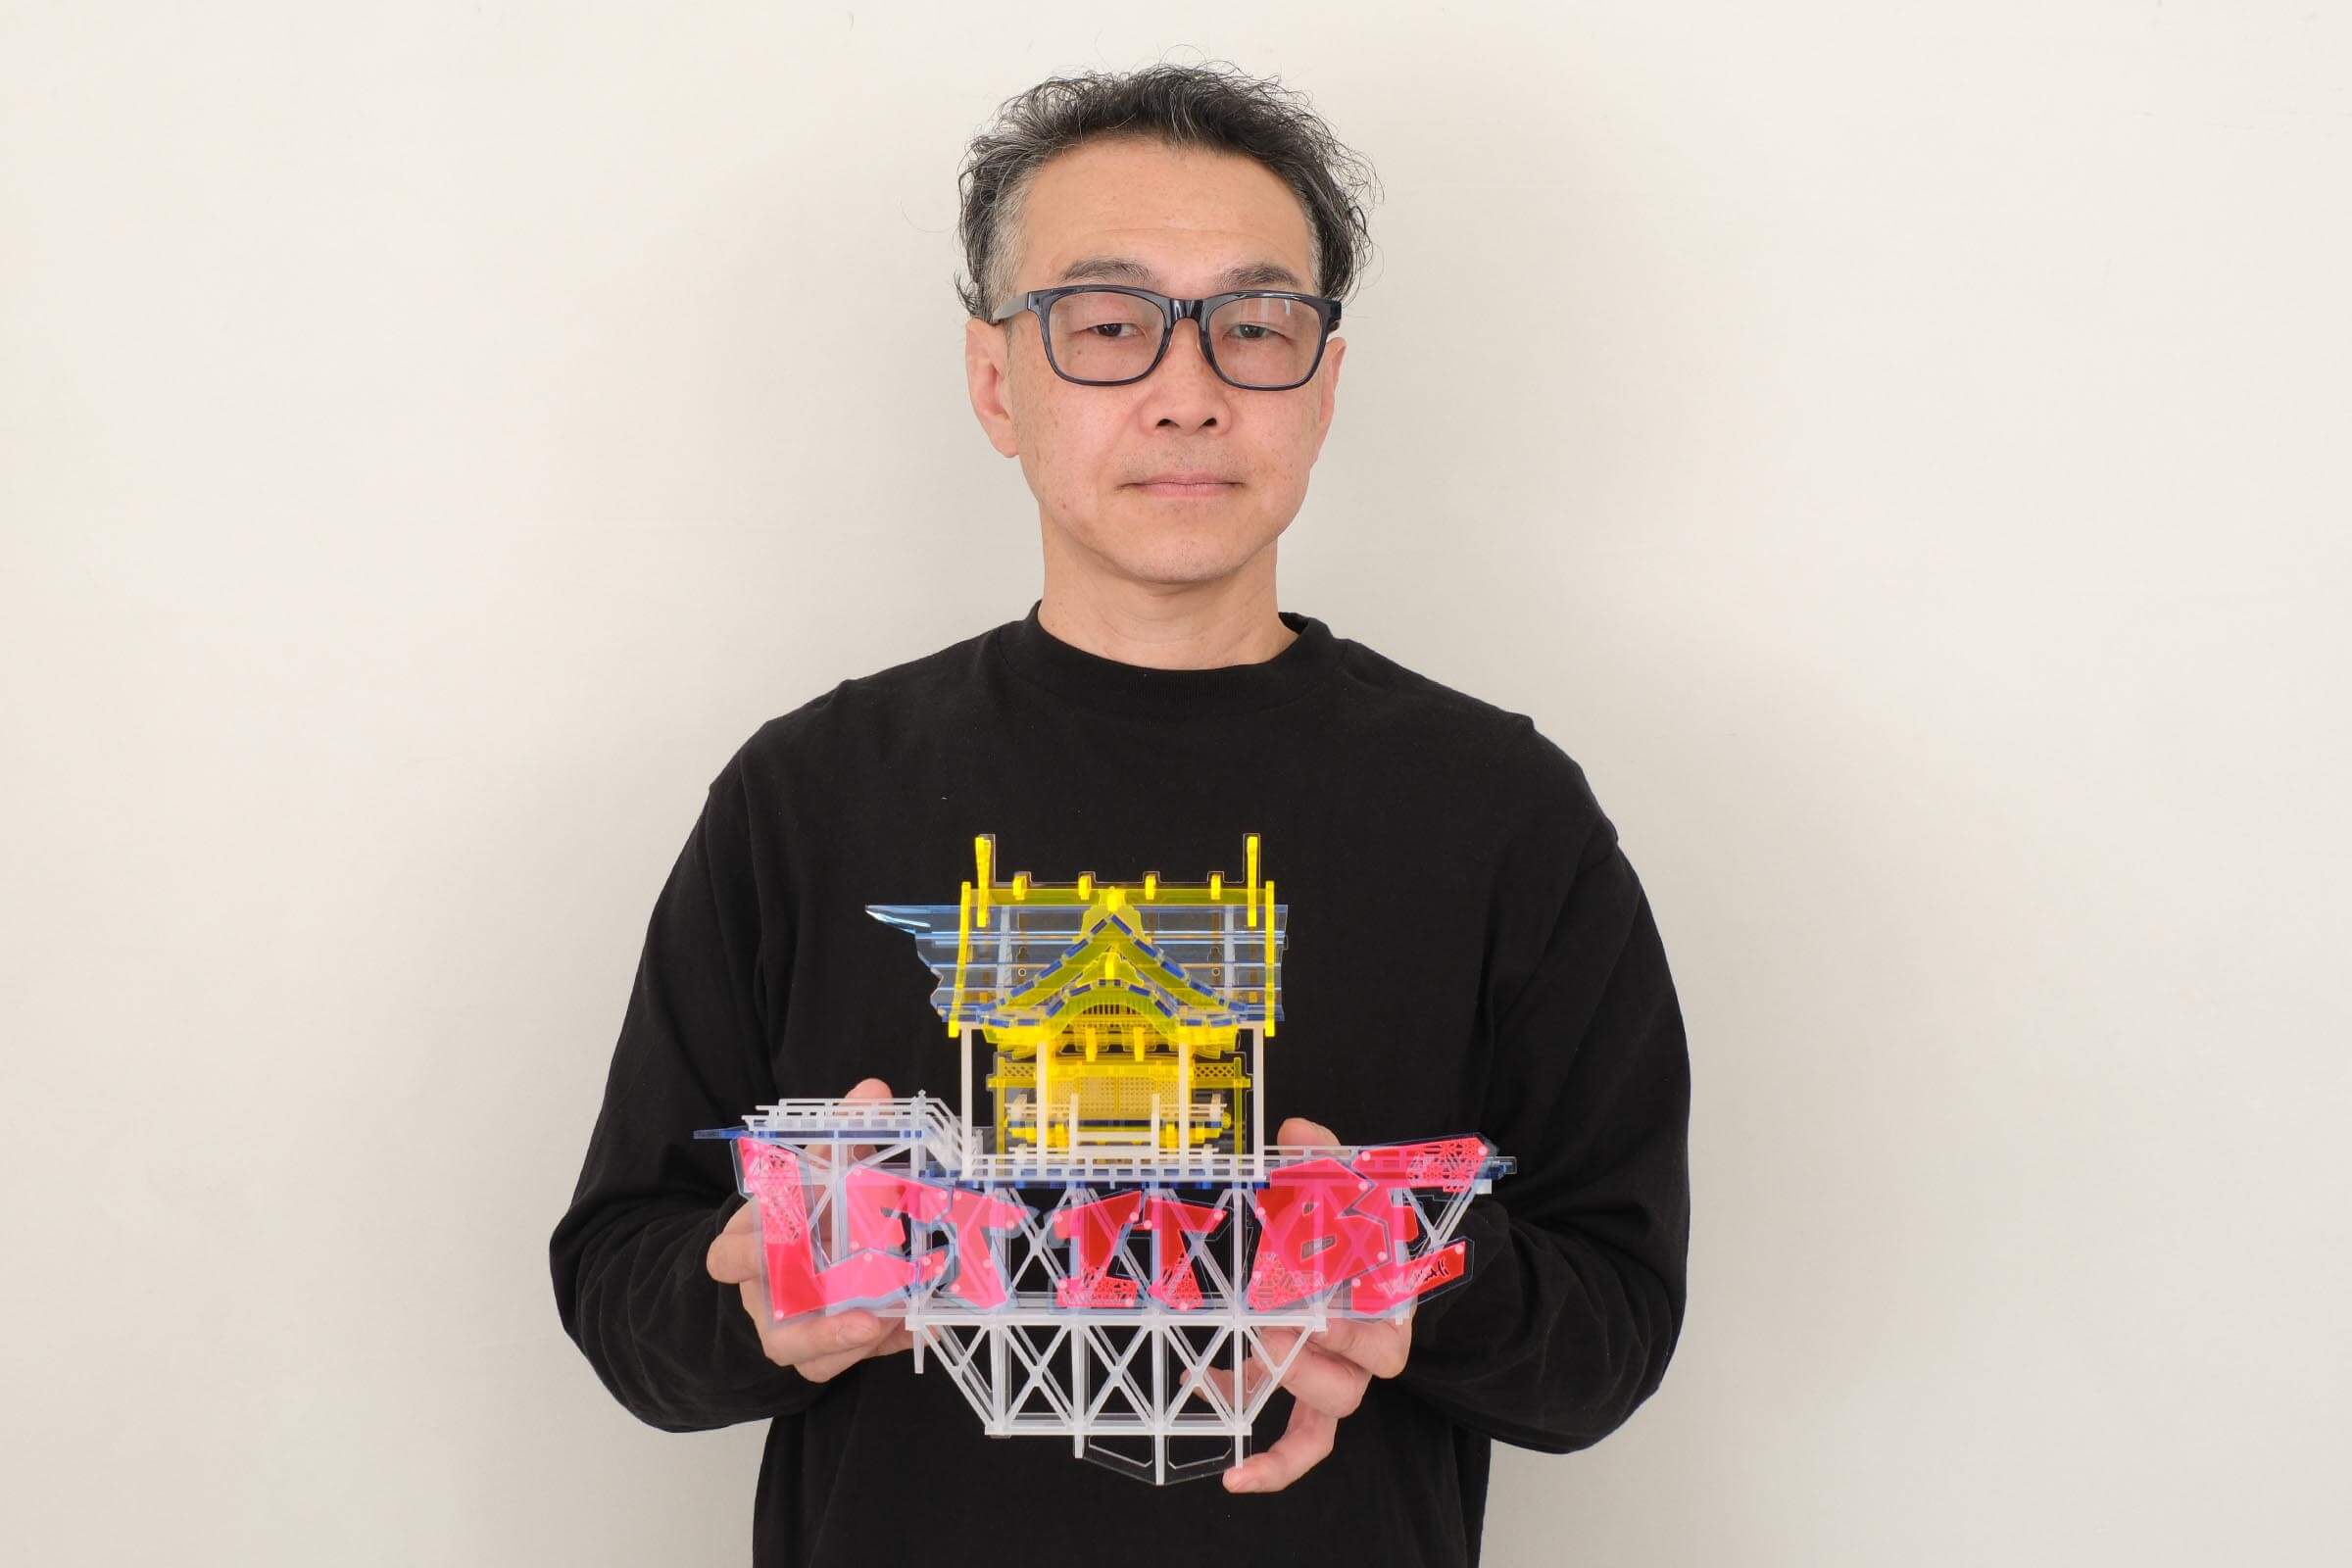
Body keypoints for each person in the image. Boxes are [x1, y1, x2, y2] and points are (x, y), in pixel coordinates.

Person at [550, 60, 1690, 1568]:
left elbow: (1615, 1332)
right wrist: (754, 1293)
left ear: (1323, 384)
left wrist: (1397, 1267)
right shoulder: (808, 794)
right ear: (995, 382)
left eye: (1254, 325)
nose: (1188, 390)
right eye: (1107, 324)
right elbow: (621, 1281)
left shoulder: (1502, 813)